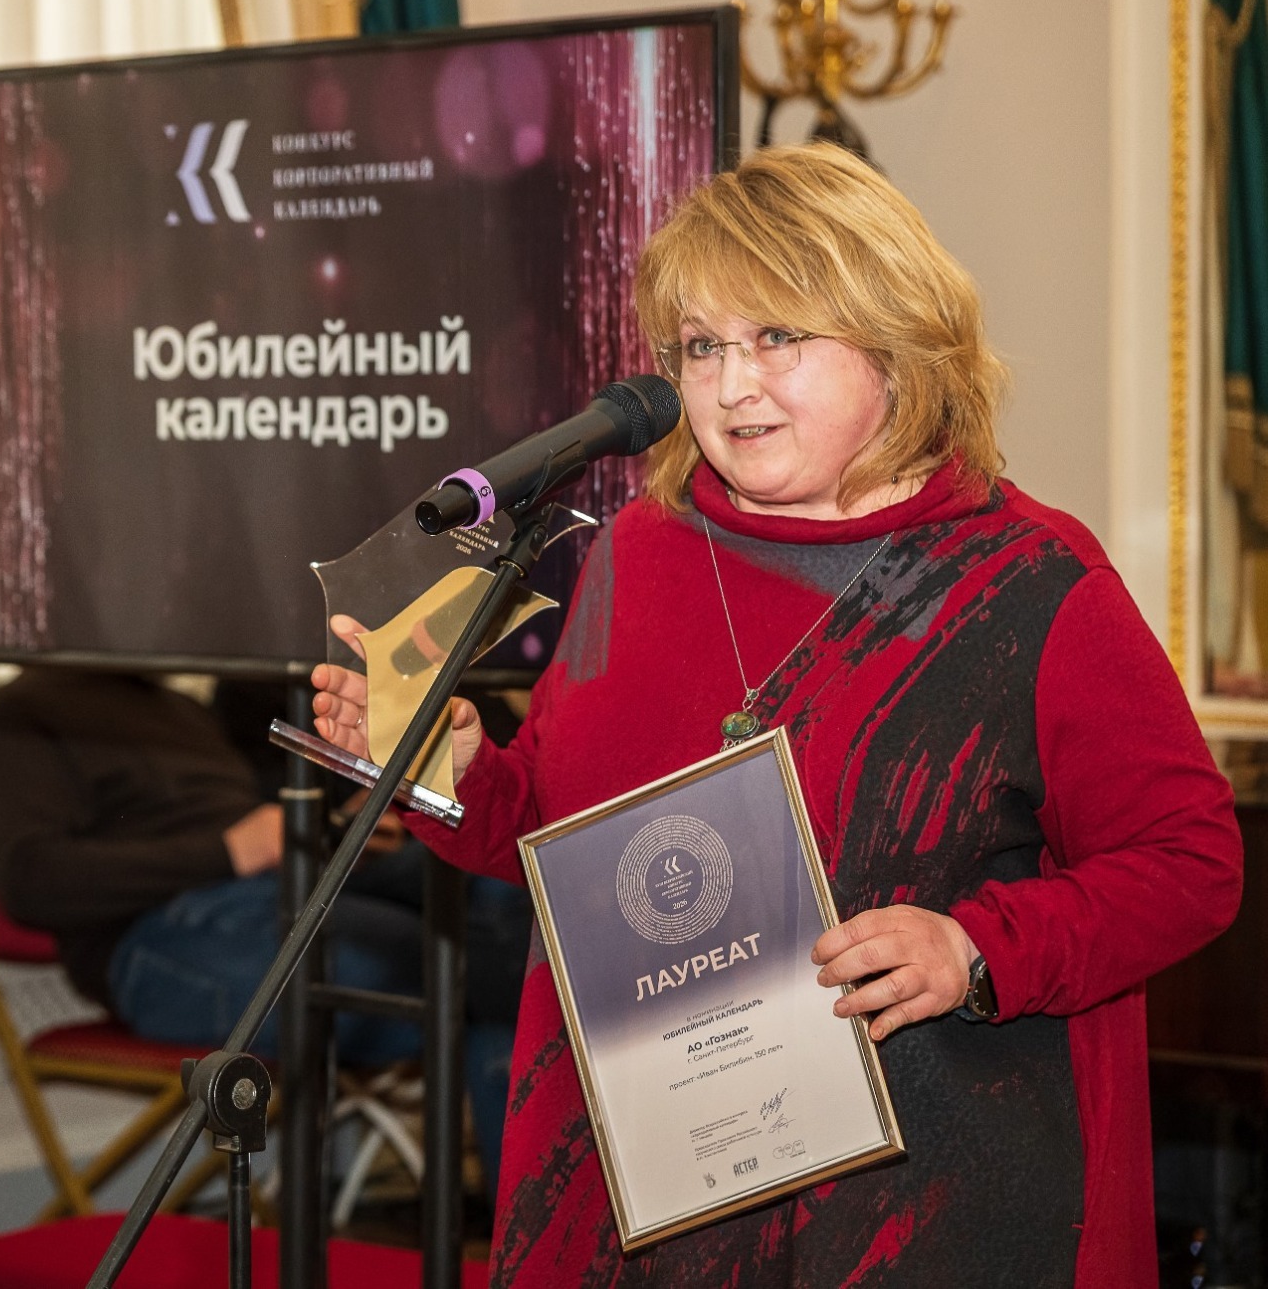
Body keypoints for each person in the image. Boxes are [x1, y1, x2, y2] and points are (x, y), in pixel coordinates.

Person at [310, 144, 1245, 1285]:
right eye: (701, 346)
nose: (730, 385)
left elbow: (1190, 861)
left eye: (777, 337)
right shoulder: (637, 555)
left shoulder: (1029, 579)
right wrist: (453, 772)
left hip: (924, 1207)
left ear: (898, 343)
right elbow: (578, 856)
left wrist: (973, 946)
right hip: (648, 1204)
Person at [0, 666, 530, 1187]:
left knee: (500, 892)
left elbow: (256, 824)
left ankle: (523, 1218)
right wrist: (231, 851)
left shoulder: (184, 709)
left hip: (282, 888)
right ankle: (538, 1000)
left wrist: (334, 830)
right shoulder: (19, 708)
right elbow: (27, 879)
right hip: (156, 935)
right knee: (460, 971)